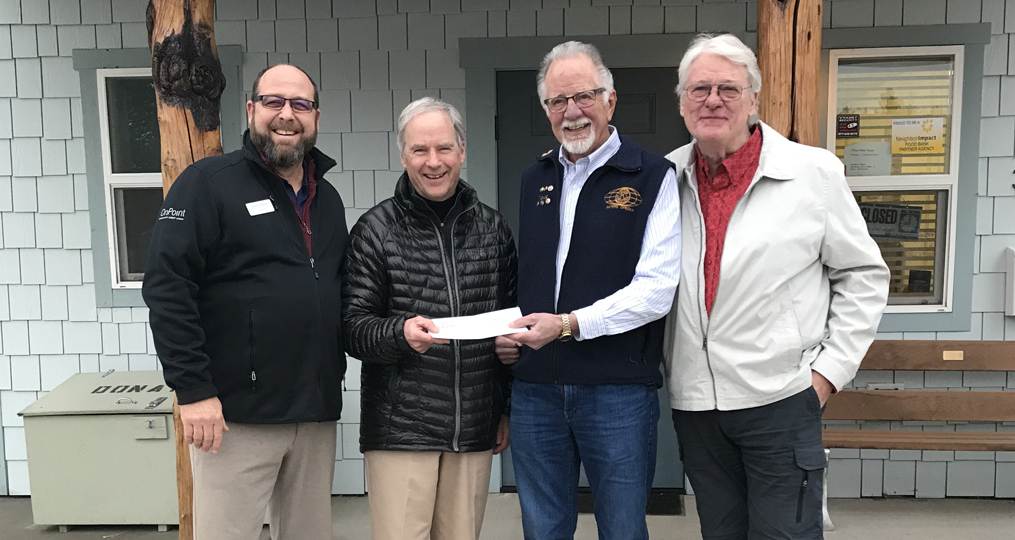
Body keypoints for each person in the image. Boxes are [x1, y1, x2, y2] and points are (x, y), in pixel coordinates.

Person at [663, 34, 890, 540]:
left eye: (728, 88)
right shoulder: (667, 179)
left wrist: (826, 375)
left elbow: (864, 275)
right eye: (699, 89)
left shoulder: (812, 173)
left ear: (753, 99)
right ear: (682, 103)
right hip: (698, 407)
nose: (713, 100)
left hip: (782, 401)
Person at [143, 64, 347, 540]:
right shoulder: (207, 183)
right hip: (233, 417)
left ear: (316, 116)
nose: (287, 115)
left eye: (300, 104)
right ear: (252, 110)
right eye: (274, 102)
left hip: (314, 413)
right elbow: (168, 287)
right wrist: (193, 390)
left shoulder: (328, 200)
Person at [496, 41, 682, 540]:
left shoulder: (653, 176)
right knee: (542, 528)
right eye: (558, 101)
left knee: (622, 529)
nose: (572, 112)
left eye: (584, 97)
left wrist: (568, 326)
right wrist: (508, 332)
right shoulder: (535, 177)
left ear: (611, 100)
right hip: (536, 392)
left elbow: (656, 290)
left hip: (616, 391)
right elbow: (531, 276)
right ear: (546, 110)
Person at [342, 97, 516, 540]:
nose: (433, 162)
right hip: (402, 430)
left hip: (473, 426)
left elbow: (510, 330)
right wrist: (398, 332)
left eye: (443, 148)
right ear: (403, 156)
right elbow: (353, 328)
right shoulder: (375, 229)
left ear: (462, 151)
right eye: (420, 150)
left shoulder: (494, 231)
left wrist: (504, 407)